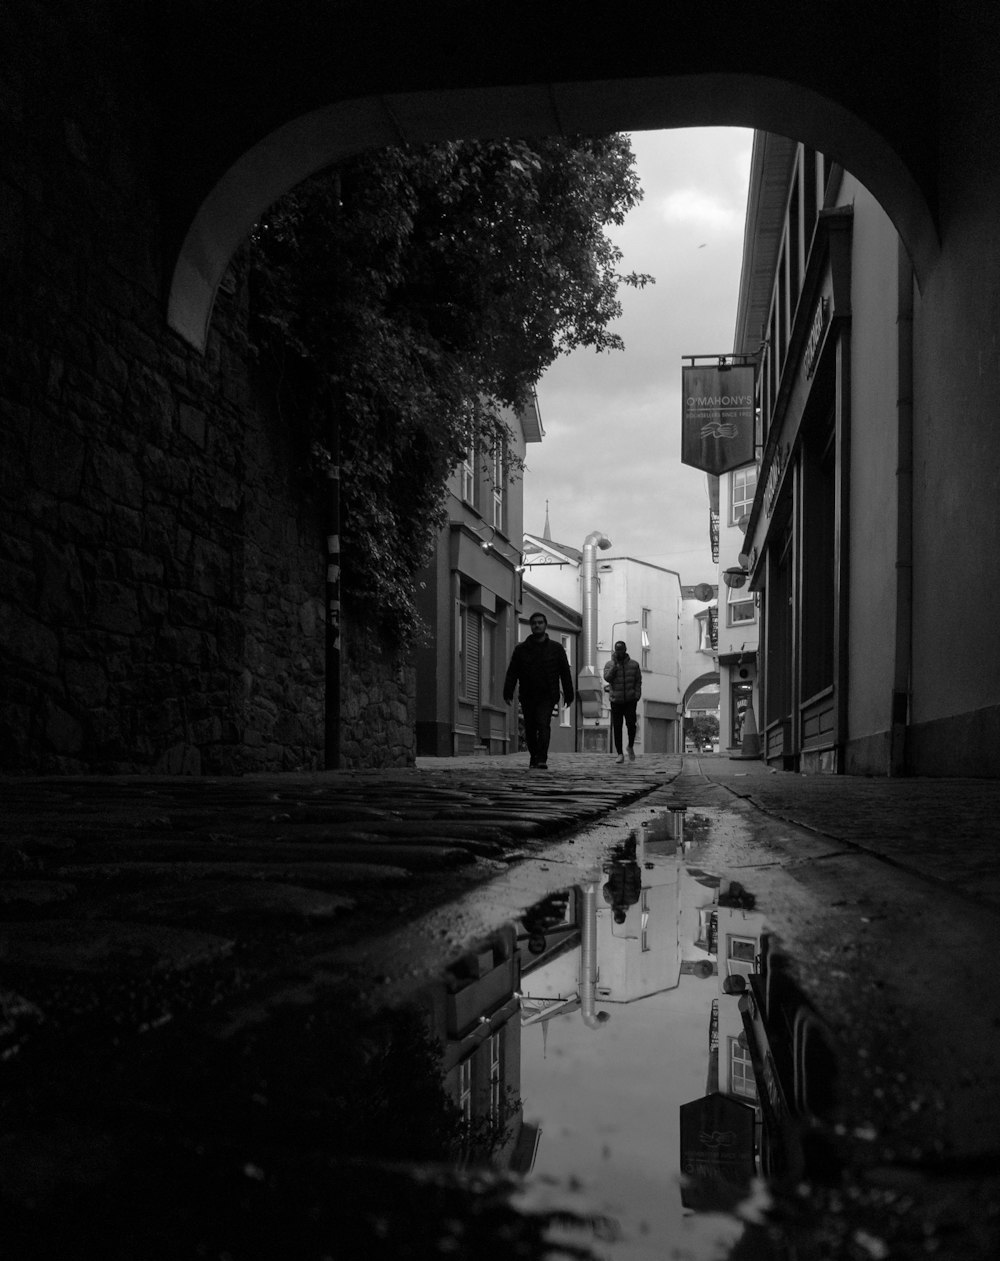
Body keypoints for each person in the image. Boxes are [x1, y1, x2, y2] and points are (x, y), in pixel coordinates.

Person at [503, 612, 574, 769]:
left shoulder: (556, 649)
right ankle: (534, 755)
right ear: (531, 626)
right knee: (530, 727)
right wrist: (508, 692)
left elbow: (565, 673)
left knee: (543, 724)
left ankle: (542, 757)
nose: (537, 625)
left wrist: (569, 694)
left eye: (540, 622)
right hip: (528, 694)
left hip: (548, 694)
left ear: (545, 625)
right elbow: (512, 672)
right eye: (534, 623)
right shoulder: (521, 650)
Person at [603, 639, 641, 763]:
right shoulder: (609, 664)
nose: (619, 653)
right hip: (616, 700)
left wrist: (636, 694)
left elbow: (638, 681)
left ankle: (630, 746)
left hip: (630, 699)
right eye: (617, 650)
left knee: (631, 724)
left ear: (625, 650)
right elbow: (607, 678)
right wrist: (614, 666)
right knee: (617, 727)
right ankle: (619, 753)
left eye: (621, 650)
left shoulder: (634, 665)